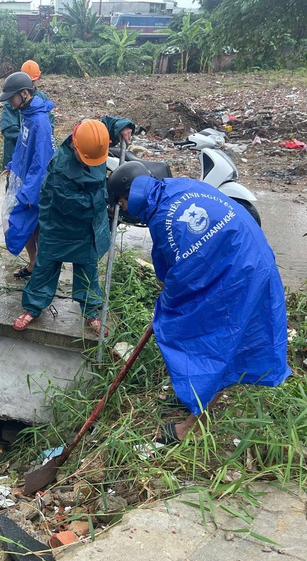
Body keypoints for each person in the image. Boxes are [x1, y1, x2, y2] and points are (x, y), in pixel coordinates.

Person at [107, 162, 291, 444]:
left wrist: (165, 310)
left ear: (127, 196)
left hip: (239, 273)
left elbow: (177, 277)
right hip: (251, 257)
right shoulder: (175, 187)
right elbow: (172, 267)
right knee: (205, 333)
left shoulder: (160, 217)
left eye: (121, 202)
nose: (123, 207)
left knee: (213, 342)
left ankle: (191, 427)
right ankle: (190, 393)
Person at [11, 119, 111, 335]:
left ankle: (92, 310)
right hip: (59, 224)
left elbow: (102, 127)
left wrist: (122, 126)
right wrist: (104, 197)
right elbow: (75, 204)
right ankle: (33, 307)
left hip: (87, 227)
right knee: (45, 268)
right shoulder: (61, 169)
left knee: (88, 270)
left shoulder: (91, 140)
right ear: (75, 146)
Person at [0, 71, 54, 280]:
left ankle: (41, 268)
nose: (10, 102)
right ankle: (34, 263)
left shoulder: (40, 122)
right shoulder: (26, 114)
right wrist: (13, 165)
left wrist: (29, 192)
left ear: (25, 94)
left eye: (12, 97)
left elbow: (42, 161)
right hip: (22, 179)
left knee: (30, 226)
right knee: (27, 226)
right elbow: (23, 146)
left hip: (33, 186)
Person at [0, 60, 55, 171]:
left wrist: (33, 139)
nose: (31, 85)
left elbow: (49, 127)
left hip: (32, 154)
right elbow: (8, 128)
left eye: (33, 81)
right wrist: (26, 140)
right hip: (15, 152)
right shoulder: (13, 100)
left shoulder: (42, 100)